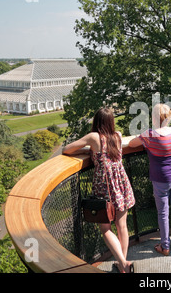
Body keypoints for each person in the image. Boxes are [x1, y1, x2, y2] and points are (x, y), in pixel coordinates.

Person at [62, 107, 135, 273]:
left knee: (106, 228)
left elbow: (66, 149)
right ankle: (123, 264)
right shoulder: (118, 135)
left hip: (105, 187)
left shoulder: (94, 137)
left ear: (97, 122)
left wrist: (86, 150)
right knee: (122, 226)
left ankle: (123, 264)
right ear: (111, 122)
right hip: (122, 184)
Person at [129, 104, 171, 256]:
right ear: (168, 118)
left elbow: (131, 144)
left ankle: (165, 247)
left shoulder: (149, 134)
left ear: (153, 117)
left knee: (163, 213)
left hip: (161, 179)